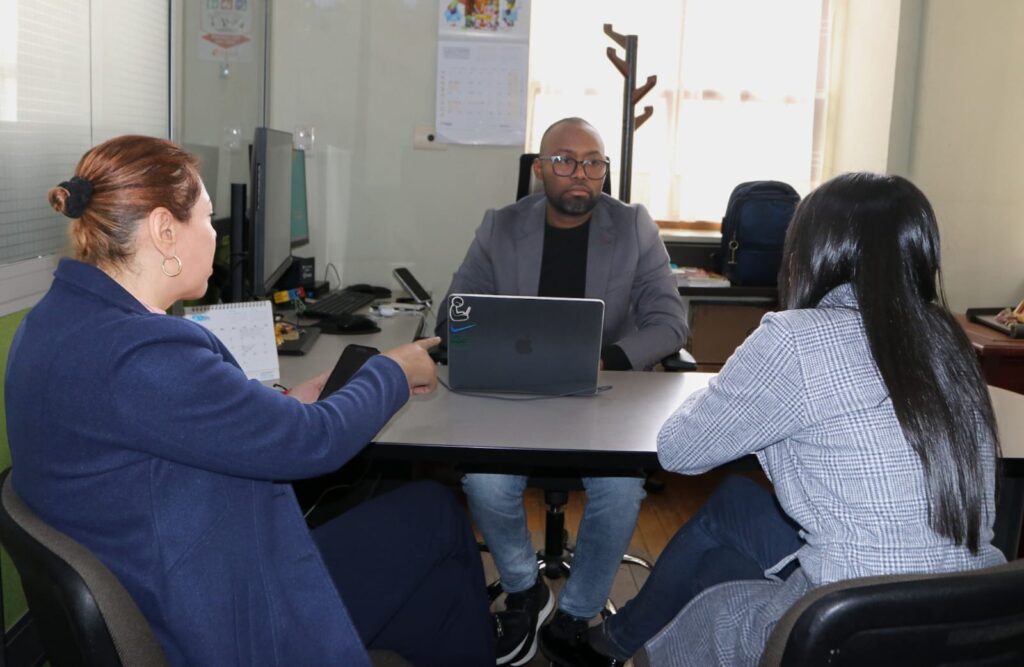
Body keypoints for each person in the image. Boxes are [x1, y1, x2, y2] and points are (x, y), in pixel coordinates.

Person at [3, 135, 495, 666]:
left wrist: (280, 402)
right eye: (208, 220)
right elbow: (315, 442)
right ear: (165, 230)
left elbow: (169, 423)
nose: (216, 236)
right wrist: (393, 371)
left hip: (168, 568)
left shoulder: (60, 320)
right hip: (210, 617)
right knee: (435, 514)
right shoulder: (138, 355)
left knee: (440, 597)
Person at [564, 172, 1006, 666]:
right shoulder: (950, 340)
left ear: (815, 250)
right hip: (975, 609)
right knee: (733, 508)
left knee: (712, 594)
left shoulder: (796, 339)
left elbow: (679, 450)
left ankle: (619, 648)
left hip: (850, 621)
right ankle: (612, 642)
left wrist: (741, 393)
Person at [435, 117, 687, 666]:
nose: (581, 173)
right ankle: (526, 589)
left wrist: (609, 358)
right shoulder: (500, 227)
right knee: (485, 480)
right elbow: (455, 314)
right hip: (515, 398)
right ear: (540, 169)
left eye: (593, 162)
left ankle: (577, 613)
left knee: (621, 491)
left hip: (603, 398)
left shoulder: (636, 226)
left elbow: (671, 323)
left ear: (604, 171)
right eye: (565, 160)